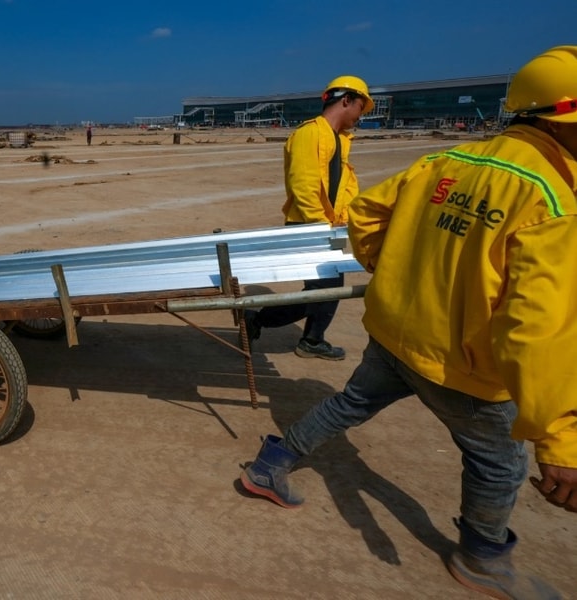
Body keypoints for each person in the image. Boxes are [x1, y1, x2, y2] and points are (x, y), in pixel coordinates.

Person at [240, 47, 577, 599]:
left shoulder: (448, 161)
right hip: (462, 362)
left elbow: (367, 210)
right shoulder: (551, 200)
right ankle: (484, 558)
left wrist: (385, 269)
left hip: (397, 329)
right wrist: (562, 440)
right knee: (498, 463)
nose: (363, 113)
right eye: (360, 105)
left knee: (350, 402)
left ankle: (271, 462)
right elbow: (536, 327)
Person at [243, 76, 374, 360]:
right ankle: (263, 322)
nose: (360, 117)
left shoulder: (337, 139)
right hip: (309, 226)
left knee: (325, 289)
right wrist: (319, 229)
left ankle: (308, 337)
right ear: (346, 100)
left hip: (327, 226)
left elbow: (338, 188)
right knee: (323, 291)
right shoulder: (310, 134)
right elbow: (303, 186)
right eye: (360, 108)